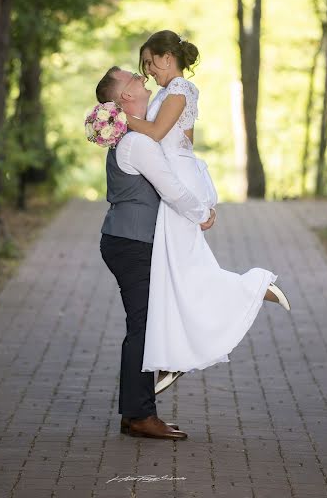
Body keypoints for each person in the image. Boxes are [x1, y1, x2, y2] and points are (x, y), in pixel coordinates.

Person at [115, 30, 291, 395]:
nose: (148, 71)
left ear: (167, 58)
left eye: (150, 62)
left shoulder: (179, 90)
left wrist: (116, 119)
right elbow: (185, 141)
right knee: (176, 271)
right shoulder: (168, 92)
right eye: (144, 65)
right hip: (177, 175)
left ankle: (255, 287)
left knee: (184, 270)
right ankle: (173, 357)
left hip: (175, 181)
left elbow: (157, 133)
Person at [96, 66, 216, 440]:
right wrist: (202, 215)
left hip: (129, 241)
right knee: (143, 327)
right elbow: (171, 189)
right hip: (132, 244)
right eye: (132, 76)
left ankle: (138, 409)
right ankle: (138, 415)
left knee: (146, 324)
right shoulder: (138, 142)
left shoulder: (135, 135)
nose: (139, 74)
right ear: (124, 98)